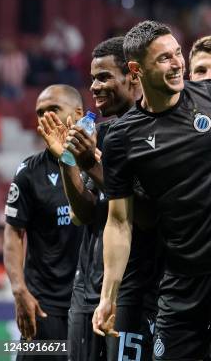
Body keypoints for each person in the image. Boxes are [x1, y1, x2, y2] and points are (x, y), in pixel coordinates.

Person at [92, 21, 211, 360]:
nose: (178, 63)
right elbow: (119, 222)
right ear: (137, 70)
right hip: (181, 281)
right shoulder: (122, 138)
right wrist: (109, 295)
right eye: (164, 58)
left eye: (178, 53)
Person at [39, 36, 160, 361]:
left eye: (104, 76)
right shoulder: (100, 133)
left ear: (132, 76)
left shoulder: (155, 135)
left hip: (135, 288)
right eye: (93, 77)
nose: (94, 86)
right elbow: (83, 215)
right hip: (87, 288)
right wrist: (68, 161)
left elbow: (148, 214)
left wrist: (91, 164)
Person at [3, 84, 84, 360]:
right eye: (40, 112)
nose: (45, 116)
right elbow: (13, 232)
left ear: (78, 113)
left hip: (89, 302)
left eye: (53, 109)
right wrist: (19, 290)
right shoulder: (28, 171)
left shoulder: (100, 162)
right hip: (43, 306)